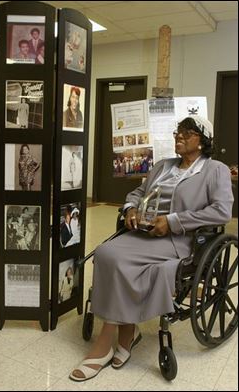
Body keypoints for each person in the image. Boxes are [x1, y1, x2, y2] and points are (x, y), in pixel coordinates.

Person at [69, 115, 234, 381]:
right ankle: (128, 331)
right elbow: (137, 193)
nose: (179, 136)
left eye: (187, 132)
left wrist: (173, 222)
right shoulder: (163, 166)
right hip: (145, 233)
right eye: (178, 131)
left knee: (115, 258)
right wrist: (131, 209)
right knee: (103, 252)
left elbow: (221, 211)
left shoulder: (216, 170)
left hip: (178, 241)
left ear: (202, 141)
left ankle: (106, 341)